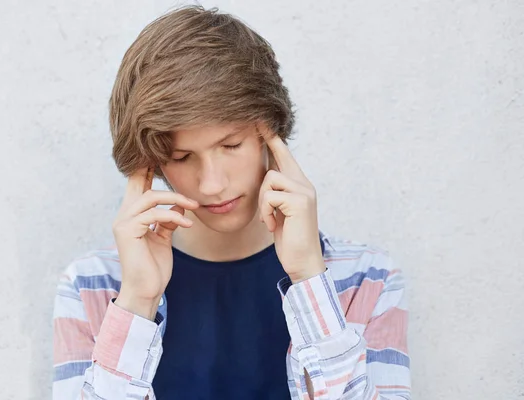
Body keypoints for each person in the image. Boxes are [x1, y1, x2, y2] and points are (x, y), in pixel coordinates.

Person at [52, 5, 411, 399]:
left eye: (231, 145)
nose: (211, 184)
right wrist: (137, 302)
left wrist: (309, 277)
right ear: (150, 161)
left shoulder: (366, 280)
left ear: (269, 131)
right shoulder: (93, 287)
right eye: (182, 157)